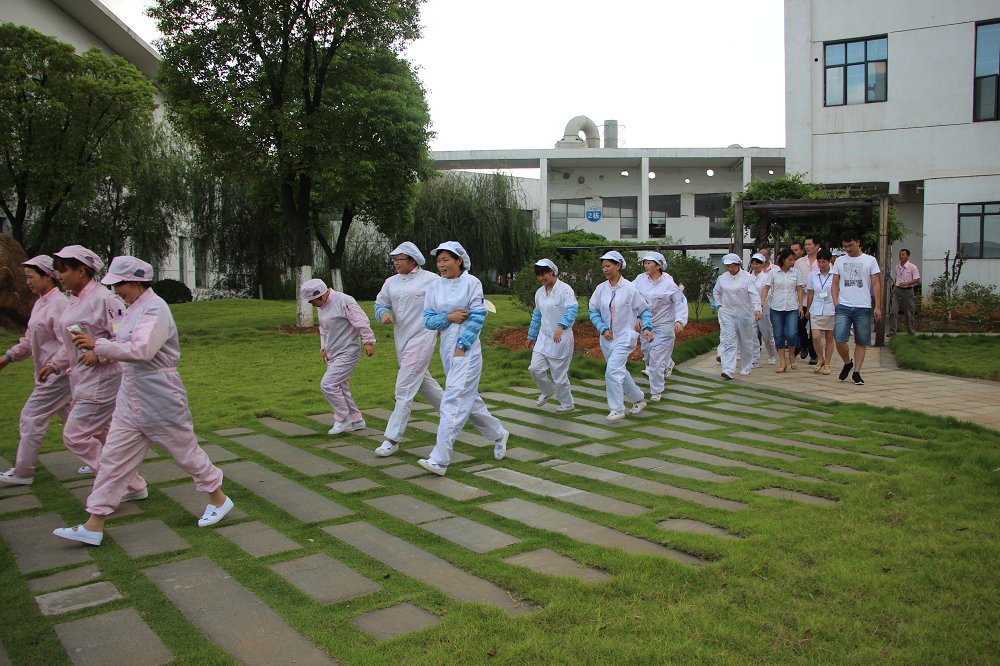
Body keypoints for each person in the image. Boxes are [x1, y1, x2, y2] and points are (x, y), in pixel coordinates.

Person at [53, 256, 235, 546]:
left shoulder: (155, 308)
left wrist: (98, 344)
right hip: (131, 396)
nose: (116, 291)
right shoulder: (133, 309)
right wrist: (101, 349)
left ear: (136, 281)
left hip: (160, 395)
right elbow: (125, 344)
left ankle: (219, 498)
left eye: (120, 285)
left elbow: (142, 350)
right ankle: (94, 523)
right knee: (113, 459)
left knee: (185, 452)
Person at [45, 246, 146, 495]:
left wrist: (98, 354)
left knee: (75, 436)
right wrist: (54, 364)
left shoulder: (105, 299)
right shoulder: (74, 301)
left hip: (102, 381)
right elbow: (72, 341)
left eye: (63, 271)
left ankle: (118, 482)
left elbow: (123, 336)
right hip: (82, 379)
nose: (58, 276)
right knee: (104, 434)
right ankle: (133, 484)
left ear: (81, 271)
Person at [417, 242, 509, 476]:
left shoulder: (472, 283)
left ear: (459, 260)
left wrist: (462, 346)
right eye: (438, 261)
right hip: (446, 350)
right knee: (470, 400)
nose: (441, 265)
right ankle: (498, 433)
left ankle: (439, 459)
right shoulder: (434, 287)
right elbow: (428, 320)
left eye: (445, 260)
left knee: (453, 401)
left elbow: (477, 317)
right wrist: (449, 317)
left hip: (466, 352)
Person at [0, 256, 72, 485]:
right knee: (77, 423)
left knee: (31, 416)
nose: (27, 282)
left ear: (48, 276)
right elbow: (29, 339)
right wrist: (8, 357)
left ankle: (23, 472)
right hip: (49, 372)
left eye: (31, 277)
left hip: (57, 375)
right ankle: (104, 460)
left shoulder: (59, 304)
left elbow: (68, 343)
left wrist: (54, 365)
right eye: (26, 278)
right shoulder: (41, 303)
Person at [371, 242, 441, 456]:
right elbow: (380, 303)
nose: (395, 263)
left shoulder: (432, 280)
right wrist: (383, 314)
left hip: (423, 337)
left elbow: (446, 304)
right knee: (423, 383)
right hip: (402, 339)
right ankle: (454, 414)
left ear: (412, 260)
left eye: (399, 259)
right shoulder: (391, 282)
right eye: (394, 260)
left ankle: (392, 438)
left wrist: (440, 326)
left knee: (403, 389)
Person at [303, 278, 375, 435]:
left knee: (328, 384)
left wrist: (368, 341)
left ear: (321, 295)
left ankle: (342, 419)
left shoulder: (344, 301)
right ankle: (357, 420)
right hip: (333, 353)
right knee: (341, 387)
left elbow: (361, 321)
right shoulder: (322, 306)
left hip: (348, 351)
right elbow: (324, 329)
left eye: (312, 301)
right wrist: (324, 348)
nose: (312, 305)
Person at [589, 251, 652, 419]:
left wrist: (647, 327)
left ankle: (617, 408)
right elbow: (593, 310)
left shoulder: (630, 288)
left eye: (608, 266)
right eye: (603, 267)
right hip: (606, 339)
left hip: (625, 337)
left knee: (612, 371)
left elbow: (644, 310)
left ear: (618, 266)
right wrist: (602, 328)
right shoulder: (600, 289)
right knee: (618, 371)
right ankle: (638, 399)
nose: (605, 269)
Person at [632, 252, 686, 401]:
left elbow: (680, 301)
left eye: (649, 263)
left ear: (659, 266)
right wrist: (637, 317)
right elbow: (631, 296)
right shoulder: (639, 280)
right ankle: (667, 363)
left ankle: (656, 390)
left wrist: (680, 321)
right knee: (648, 356)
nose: (646, 266)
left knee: (655, 360)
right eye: (645, 263)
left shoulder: (669, 284)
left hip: (664, 325)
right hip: (646, 326)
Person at [831, 229, 882, 385]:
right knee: (839, 338)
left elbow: (876, 284)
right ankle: (847, 362)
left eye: (851, 245)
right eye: (845, 246)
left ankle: (857, 372)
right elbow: (834, 284)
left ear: (858, 242)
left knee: (861, 340)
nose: (848, 249)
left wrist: (877, 306)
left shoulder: (870, 260)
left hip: (863, 306)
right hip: (844, 305)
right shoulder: (839, 261)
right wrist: (836, 302)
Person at [527, 258, 577, 412]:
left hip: (561, 337)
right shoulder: (539, 293)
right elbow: (537, 315)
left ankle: (567, 403)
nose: (541, 278)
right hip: (544, 337)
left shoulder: (565, 289)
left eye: (543, 274)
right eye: (538, 276)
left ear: (552, 272)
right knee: (535, 368)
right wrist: (531, 335)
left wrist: (561, 326)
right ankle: (548, 390)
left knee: (559, 375)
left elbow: (572, 310)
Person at [712, 253, 762, 379]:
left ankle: (746, 366)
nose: (730, 269)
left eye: (732, 266)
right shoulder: (722, 278)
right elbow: (716, 292)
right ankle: (728, 369)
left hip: (745, 312)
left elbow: (754, 294)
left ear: (738, 265)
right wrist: (719, 305)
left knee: (746, 341)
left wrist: (757, 309)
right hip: (728, 313)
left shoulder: (747, 277)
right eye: (727, 266)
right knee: (729, 341)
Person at [761, 248, 806, 373]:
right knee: (778, 335)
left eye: (793, 260)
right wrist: (762, 302)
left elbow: (799, 289)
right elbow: (766, 288)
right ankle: (782, 361)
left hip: (792, 307)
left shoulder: (796, 273)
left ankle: (791, 355)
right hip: (776, 307)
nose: (792, 262)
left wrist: (800, 306)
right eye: (789, 260)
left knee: (791, 334)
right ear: (783, 260)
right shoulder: (773, 272)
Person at [804, 249, 836, 374]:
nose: (821, 264)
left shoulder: (835, 274)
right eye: (819, 262)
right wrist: (808, 309)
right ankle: (820, 358)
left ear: (829, 261)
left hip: (830, 308)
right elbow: (810, 293)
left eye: (824, 262)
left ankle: (827, 363)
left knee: (829, 338)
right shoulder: (813, 275)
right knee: (816, 336)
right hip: (816, 308)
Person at [793, 237, 822, 364]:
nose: (807, 247)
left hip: (817, 300)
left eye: (810, 244)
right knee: (799, 325)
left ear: (817, 246)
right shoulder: (799, 262)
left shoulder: (821, 261)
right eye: (805, 244)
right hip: (801, 300)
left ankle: (814, 354)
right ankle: (803, 344)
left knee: (814, 328)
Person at [749, 253, 777, 367]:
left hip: (764, 310)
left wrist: (761, 304)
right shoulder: (748, 277)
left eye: (757, 263)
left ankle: (772, 354)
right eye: (753, 263)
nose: (755, 266)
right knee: (752, 335)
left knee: (767, 335)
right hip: (750, 310)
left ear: (762, 264)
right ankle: (755, 359)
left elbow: (769, 293)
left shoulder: (766, 277)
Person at [888, 248, 920, 336]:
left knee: (909, 313)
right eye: (900, 255)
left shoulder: (913, 267)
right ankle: (892, 332)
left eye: (903, 255)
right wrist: (895, 287)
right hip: (898, 291)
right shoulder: (897, 267)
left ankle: (911, 332)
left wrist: (907, 283)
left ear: (907, 256)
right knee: (893, 311)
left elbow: (917, 280)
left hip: (907, 291)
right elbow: (898, 278)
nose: (901, 256)